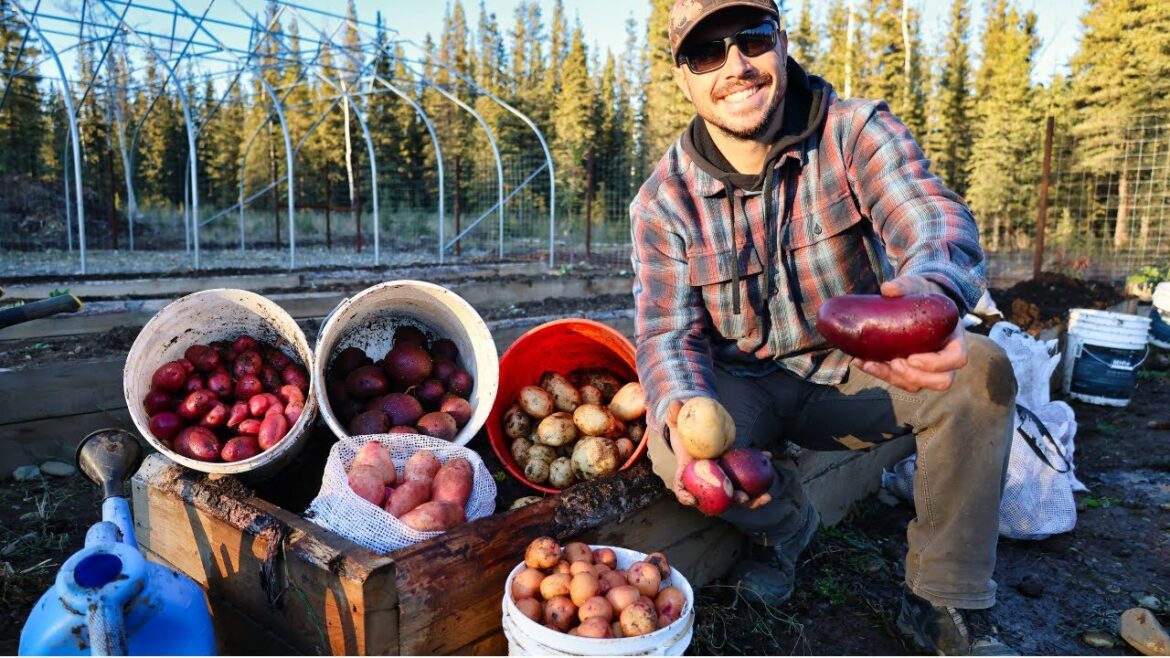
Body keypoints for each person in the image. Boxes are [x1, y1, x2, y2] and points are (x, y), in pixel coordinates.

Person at [629, 0, 1019, 655]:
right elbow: (667, 335)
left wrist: (930, 293)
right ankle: (785, 527)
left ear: (781, 43)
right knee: (680, 448)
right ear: (683, 77)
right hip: (747, 385)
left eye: (752, 38)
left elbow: (930, 215)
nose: (735, 65)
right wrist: (685, 406)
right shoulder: (663, 201)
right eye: (706, 53)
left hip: (857, 372)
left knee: (981, 372)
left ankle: (940, 599)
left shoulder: (854, 132)